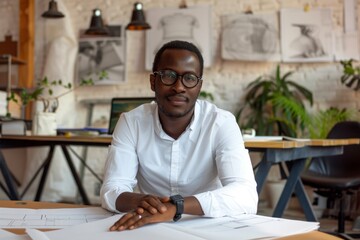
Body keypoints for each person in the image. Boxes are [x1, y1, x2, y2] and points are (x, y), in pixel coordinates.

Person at [101, 40, 258, 231]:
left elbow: (245, 195)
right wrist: (146, 203)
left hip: (209, 225)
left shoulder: (220, 123)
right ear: (153, 82)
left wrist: (176, 206)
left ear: (199, 86)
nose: (179, 87)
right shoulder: (131, 122)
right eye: (168, 75)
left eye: (190, 78)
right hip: (150, 225)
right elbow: (111, 190)